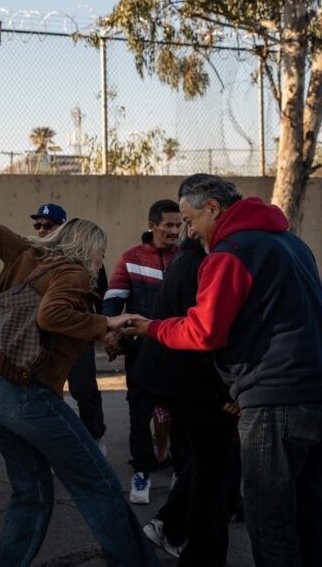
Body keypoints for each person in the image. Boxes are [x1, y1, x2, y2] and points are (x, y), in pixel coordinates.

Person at [123, 174, 322, 566]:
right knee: (310, 517)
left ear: (212, 208)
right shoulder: (294, 244)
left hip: (271, 402)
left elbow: (204, 331)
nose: (188, 231)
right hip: (312, 395)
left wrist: (151, 328)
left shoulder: (229, 252)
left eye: (190, 219)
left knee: (271, 525)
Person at [0, 217, 158, 566]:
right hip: (29, 395)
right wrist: (108, 322)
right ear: (88, 249)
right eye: (100, 253)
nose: (101, 261)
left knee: (32, 495)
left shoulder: (25, 252)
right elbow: (50, 316)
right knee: (98, 484)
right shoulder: (75, 273)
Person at [131, 230, 239, 565]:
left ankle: (171, 525)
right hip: (190, 381)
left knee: (211, 462)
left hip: (182, 379)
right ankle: (183, 536)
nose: (178, 229)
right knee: (215, 466)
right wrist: (224, 393)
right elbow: (202, 338)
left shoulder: (192, 260)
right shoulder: (200, 266)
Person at [103, 199, 182, 504]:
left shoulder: (188, 258)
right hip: (142, 351)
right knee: (140, 413)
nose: (175, 231)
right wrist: (111, 330)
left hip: (180, 348)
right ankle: (142, 474)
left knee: (180, 412)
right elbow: (113, 300)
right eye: (169, 225)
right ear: (153, 226)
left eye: (179, 225)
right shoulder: (130, 259)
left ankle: (180, 469)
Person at [32, 204, 108, 450]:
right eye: (38, 225)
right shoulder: (35, 258)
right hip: (45, 338)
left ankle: (95, 440)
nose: (42, 230)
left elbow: (102, 298)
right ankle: (52, 446)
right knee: (46, 393)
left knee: (84, 390)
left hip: (78, 336)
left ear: (62, 229)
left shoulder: (89, 261)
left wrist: (107, 330)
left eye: (48, 225)